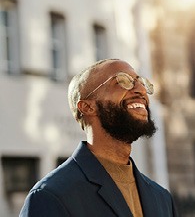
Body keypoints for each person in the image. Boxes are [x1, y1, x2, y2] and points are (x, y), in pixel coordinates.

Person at [20, 58, 178, 217]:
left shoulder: (162, 198)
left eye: (141, 82)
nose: (141, 90)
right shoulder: (50, 196)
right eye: (123, 81)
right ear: (88, 107)